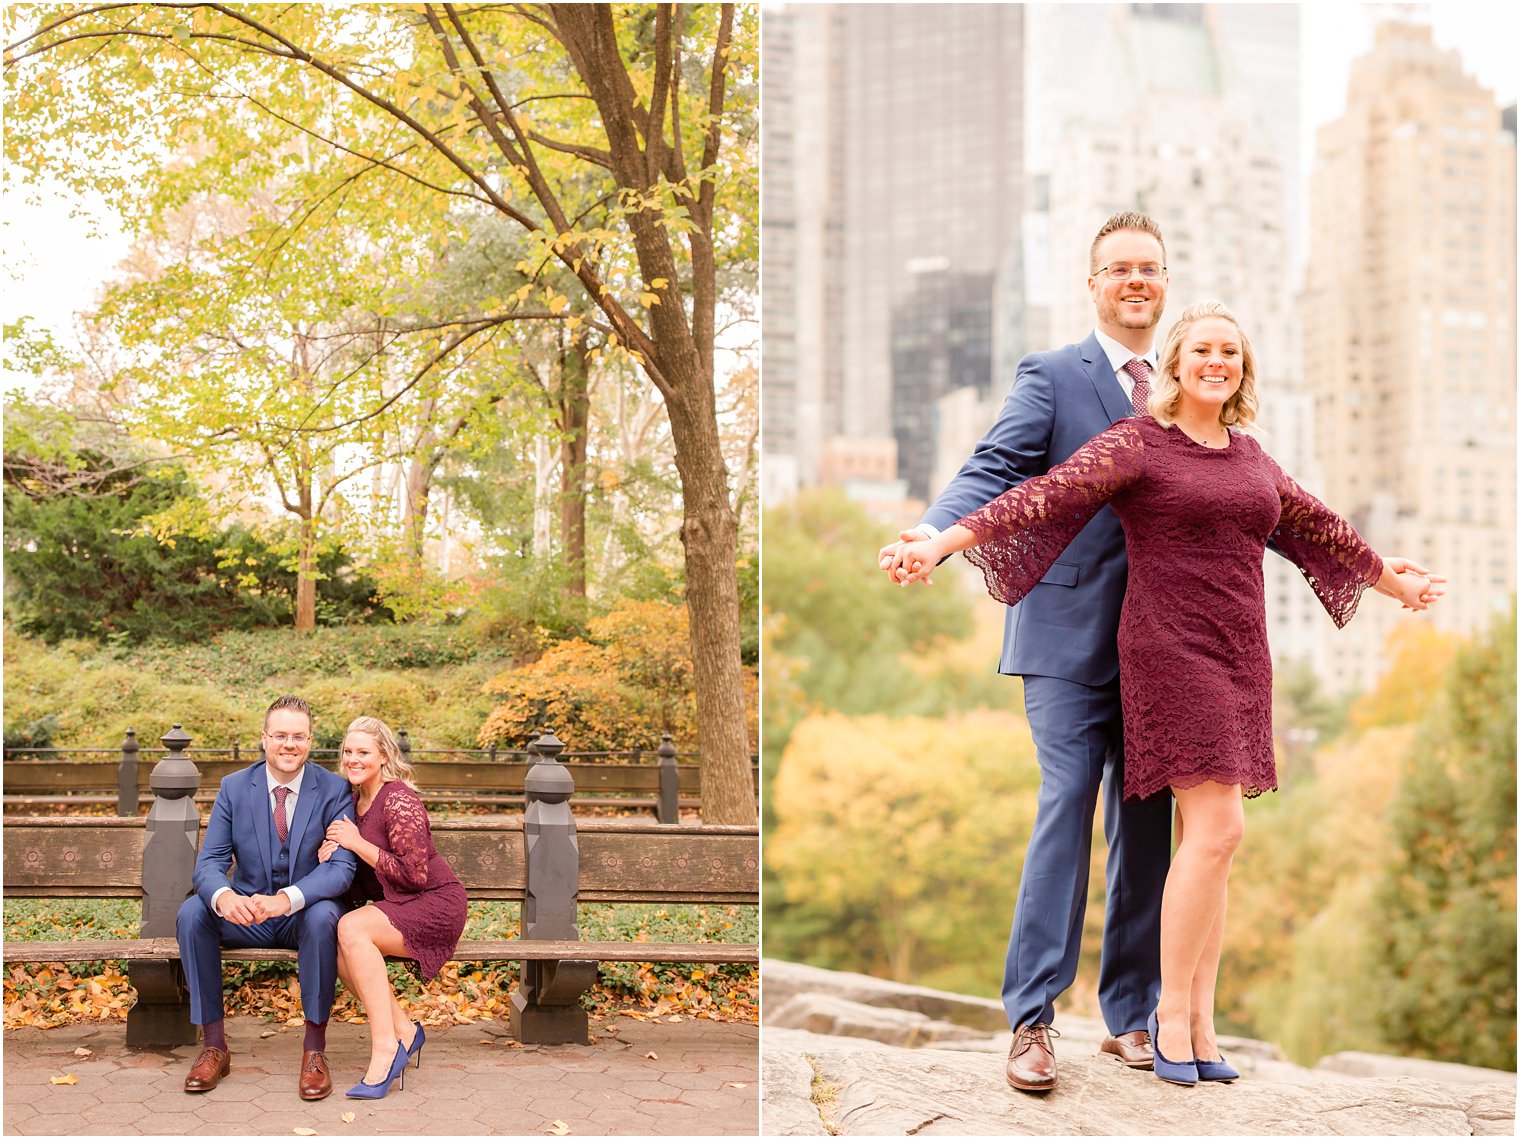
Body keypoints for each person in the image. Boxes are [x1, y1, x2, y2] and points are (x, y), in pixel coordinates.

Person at [879, 211, 1438, 1093]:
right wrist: (934, 532)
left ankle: (1136, 1017)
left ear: (1166, 285)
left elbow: (1295, 516)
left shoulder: (1224, 430)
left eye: (1150, 267)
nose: (1135, 279)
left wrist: (1382, 573)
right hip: (1070, 638)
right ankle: (1032, 1018)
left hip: (1190, 648)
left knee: (1149, 831)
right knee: (1068, 801)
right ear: (1094, 282)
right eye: (1118, 268)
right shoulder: (1056, 376)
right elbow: (1008, 479)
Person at [177, 694, 357, 1100]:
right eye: (280, 735)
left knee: (324, 915)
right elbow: (210, 862)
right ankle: (214, 1046)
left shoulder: (334, 790)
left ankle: (314, 1051)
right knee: (193, 913)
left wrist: (289, 898)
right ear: (264, 739)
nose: (289, 745)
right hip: (248, 916)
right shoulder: (235, 787)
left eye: (298, 736)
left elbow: (342, 868)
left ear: (310, 741)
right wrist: (224, 897)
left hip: (302, 916)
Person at [319, 715, 468, 1099]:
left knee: (351, 928)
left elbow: (415, 875)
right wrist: (332, 856)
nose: (353, 759)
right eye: (348, 752)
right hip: (400, 904)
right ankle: (404, 1031)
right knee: (337, 945)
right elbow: (362, 879)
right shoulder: (353, 801)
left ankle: (386, 1049)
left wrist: (356, 843)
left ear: (383, 755)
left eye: (363, 752)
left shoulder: (399, 799)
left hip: (434, 903)